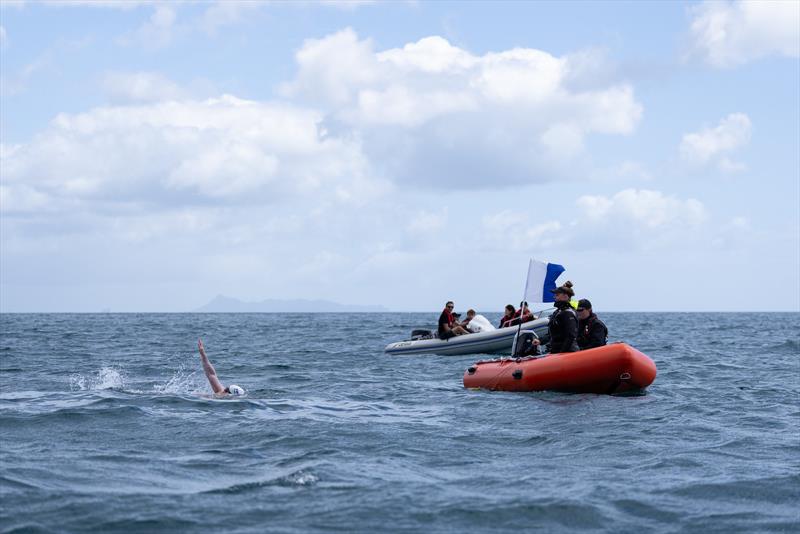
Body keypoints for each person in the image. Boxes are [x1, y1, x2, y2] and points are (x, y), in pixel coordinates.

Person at [533, 281, 578, 353]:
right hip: (555, 351)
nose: (554, 297)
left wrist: (562, 353)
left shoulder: (568, 313)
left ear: (565, 296)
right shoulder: (557, 312)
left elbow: (571, 336)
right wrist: (540, 340)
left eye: (557, 295)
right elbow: (552, 334)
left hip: (567, 352)